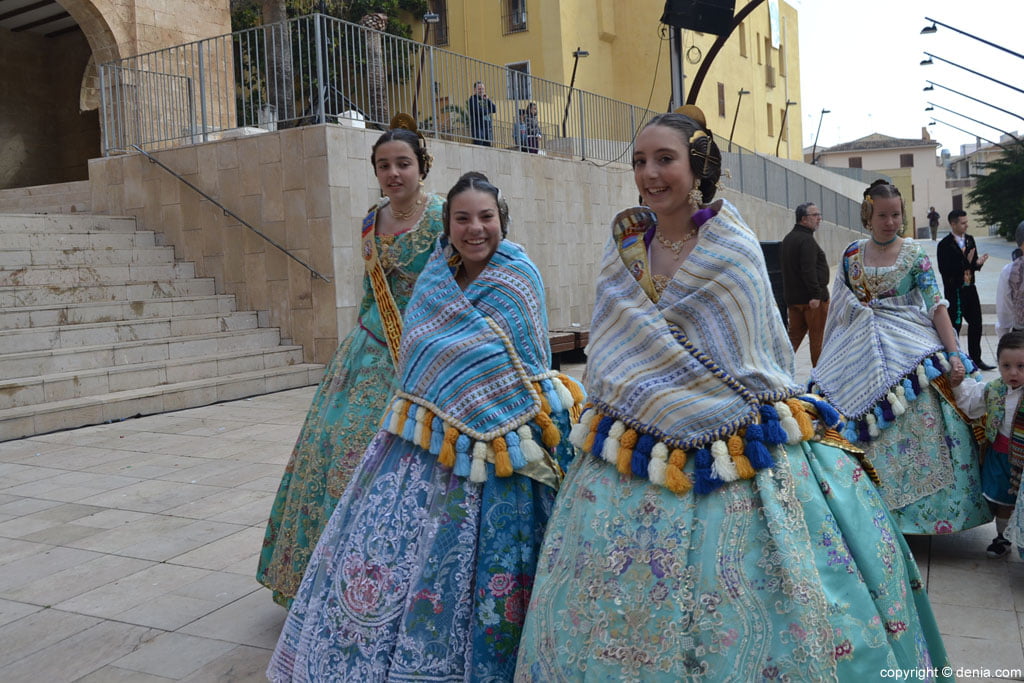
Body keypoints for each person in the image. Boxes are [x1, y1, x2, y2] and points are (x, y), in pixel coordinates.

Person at [516, 110, 951, 681]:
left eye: (664, 159)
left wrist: (708, 401)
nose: (650, 173)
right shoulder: (623, 247)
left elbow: (758, 354)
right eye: (640, 161)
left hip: (736, 439)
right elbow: (612, 349)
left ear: (697, 165)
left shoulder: (732, 245)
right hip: (632, 444)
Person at [267, 172, 583, 682]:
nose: (474, 229)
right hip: (425, 443)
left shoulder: (519, 276)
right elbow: (419, 351)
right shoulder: (435, 278)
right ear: (448, 224)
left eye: (486, 217)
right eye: (463, 218)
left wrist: (470, 384)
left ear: (503, 221)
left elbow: (525, 360)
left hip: (507, 448)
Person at [257, 115, 445, 607]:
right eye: (384, 165)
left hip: (425, 348)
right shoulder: (370, 219)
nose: (393, 174)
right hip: (370, 346)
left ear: (421, 167)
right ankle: (316, 581)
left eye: (403, 163)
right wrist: (363, 338)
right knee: (337, 441)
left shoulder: (444, 216)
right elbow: (370, 292)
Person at [811, 180, 990, 535]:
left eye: (896, 214)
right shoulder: (850, 255)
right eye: (882, 215)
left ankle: (917, 518)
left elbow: (936, 306)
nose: (890, 222)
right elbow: (840, 309)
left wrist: (954, 354)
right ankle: (857, 512)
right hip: (856, 345)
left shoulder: (915, 256)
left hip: (908, 340)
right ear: (868, 214)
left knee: (928, 398)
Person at [950, 331, 1024, 559]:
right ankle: (1002, 538)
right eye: (1006, 365)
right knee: (1000, 499)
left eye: (1021, 366)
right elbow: (971, 403)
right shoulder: (993, 390)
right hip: (998, 455)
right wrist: (957, 384)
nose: (1013, 372)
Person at [937, 209, 993, 370]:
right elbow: (945, 270)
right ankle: (955, 358)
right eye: (962, 223)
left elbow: (972, 263)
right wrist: (966, 262)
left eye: (966, 222)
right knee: (955, 325)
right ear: (953, 224)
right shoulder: (944, 245)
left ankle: (976, 358)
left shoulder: (969, 240)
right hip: (954, 291)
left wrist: (977, 263)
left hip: (970, 288)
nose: (966, 225)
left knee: (976, 323)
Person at [780, 201, 830, 366]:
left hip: (795, 301)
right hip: (812, 303)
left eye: (819, 214)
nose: (819, 218)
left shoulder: (788, 238)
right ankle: (819, 380)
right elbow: (808, 270)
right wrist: (816, 295)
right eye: (815, 215)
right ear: (803, 219)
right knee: (818, 341)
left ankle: (780, 371)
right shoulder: (806, 240)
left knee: (792, 341)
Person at [995, 220, 1024, 338]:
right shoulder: (1010, 271)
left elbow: (1004, 312)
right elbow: (1004, 310)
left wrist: (1003, 336)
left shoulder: (1010, 270)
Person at [467, 80, 496, 146]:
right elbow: (478, 111)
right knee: (479, 146)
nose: (481, 90)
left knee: (488, 146)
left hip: (487, 127)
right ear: (475, 90)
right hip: (478, 128)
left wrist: (488, 100)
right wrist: (488, 110)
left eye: (483, 89)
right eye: (479, 89)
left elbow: (494, 109)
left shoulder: (485, 99)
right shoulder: (473, 99)